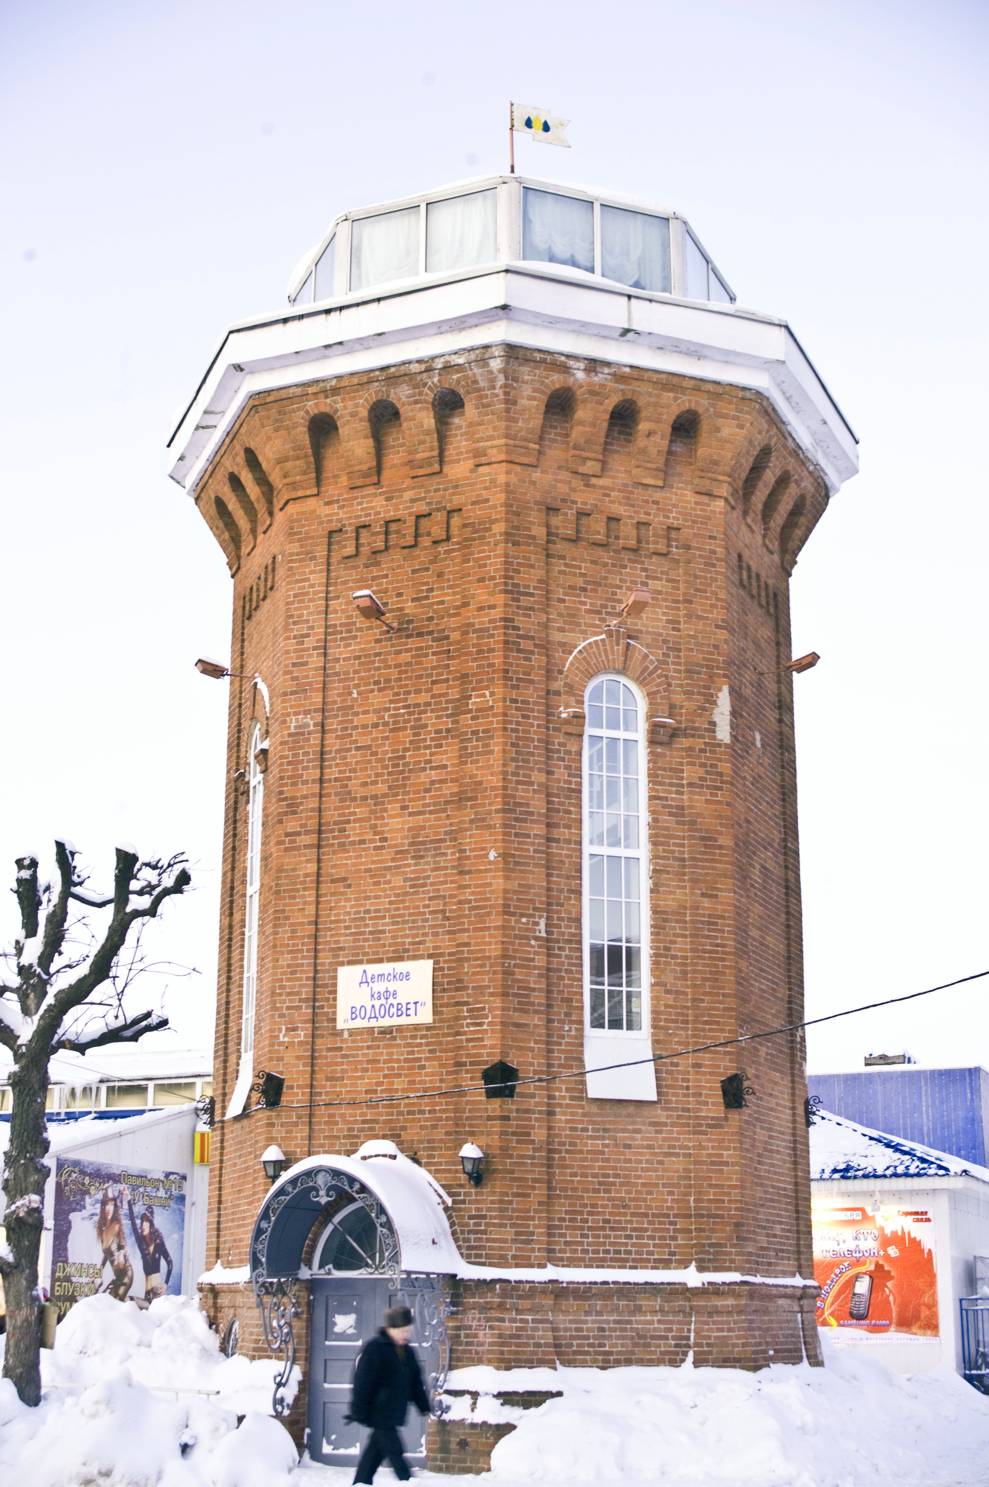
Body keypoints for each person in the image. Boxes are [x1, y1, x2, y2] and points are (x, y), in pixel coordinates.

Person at [348, 1305, 431, 1485]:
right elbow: (363, 1382)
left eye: (408, 1330)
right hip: (378, 1411)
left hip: (394, 1411)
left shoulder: (407, 1352)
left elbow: (415, 1381)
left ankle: (360, 1483)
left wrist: (423, 1405)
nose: (405, 1335)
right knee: (395, 1451)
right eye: (401, 1331)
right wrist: (359, 1409)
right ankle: (407, 1481)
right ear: (389, 1329)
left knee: (374, 1453)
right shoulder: (375, 1349)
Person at [123, 1188, 173, 1303]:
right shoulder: (142, 1244)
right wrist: (129, 1199)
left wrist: (165, 1283)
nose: (143, 1226)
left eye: (146, 1223)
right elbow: (133, 1223)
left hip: (157, 1291)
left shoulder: (159, 1242)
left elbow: (169, 1262)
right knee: (130, 1302)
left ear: (151, 1225)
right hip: (148, 1292)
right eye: (142, 1223)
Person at [96, 1188, 133, 1302]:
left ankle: (142, 1306)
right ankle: (131, 1303)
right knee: (107, 1303)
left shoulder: (116, 1225)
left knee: (114, 1304)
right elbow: (106, 1254)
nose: (109, 1208)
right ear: (102, 1207)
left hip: (126, 1274)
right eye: (106, 1204)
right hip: (117, 1277)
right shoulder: (102, 1229)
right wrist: (99, 1273)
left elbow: (122, 1243)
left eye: (112, 1204)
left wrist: (122, 1253)